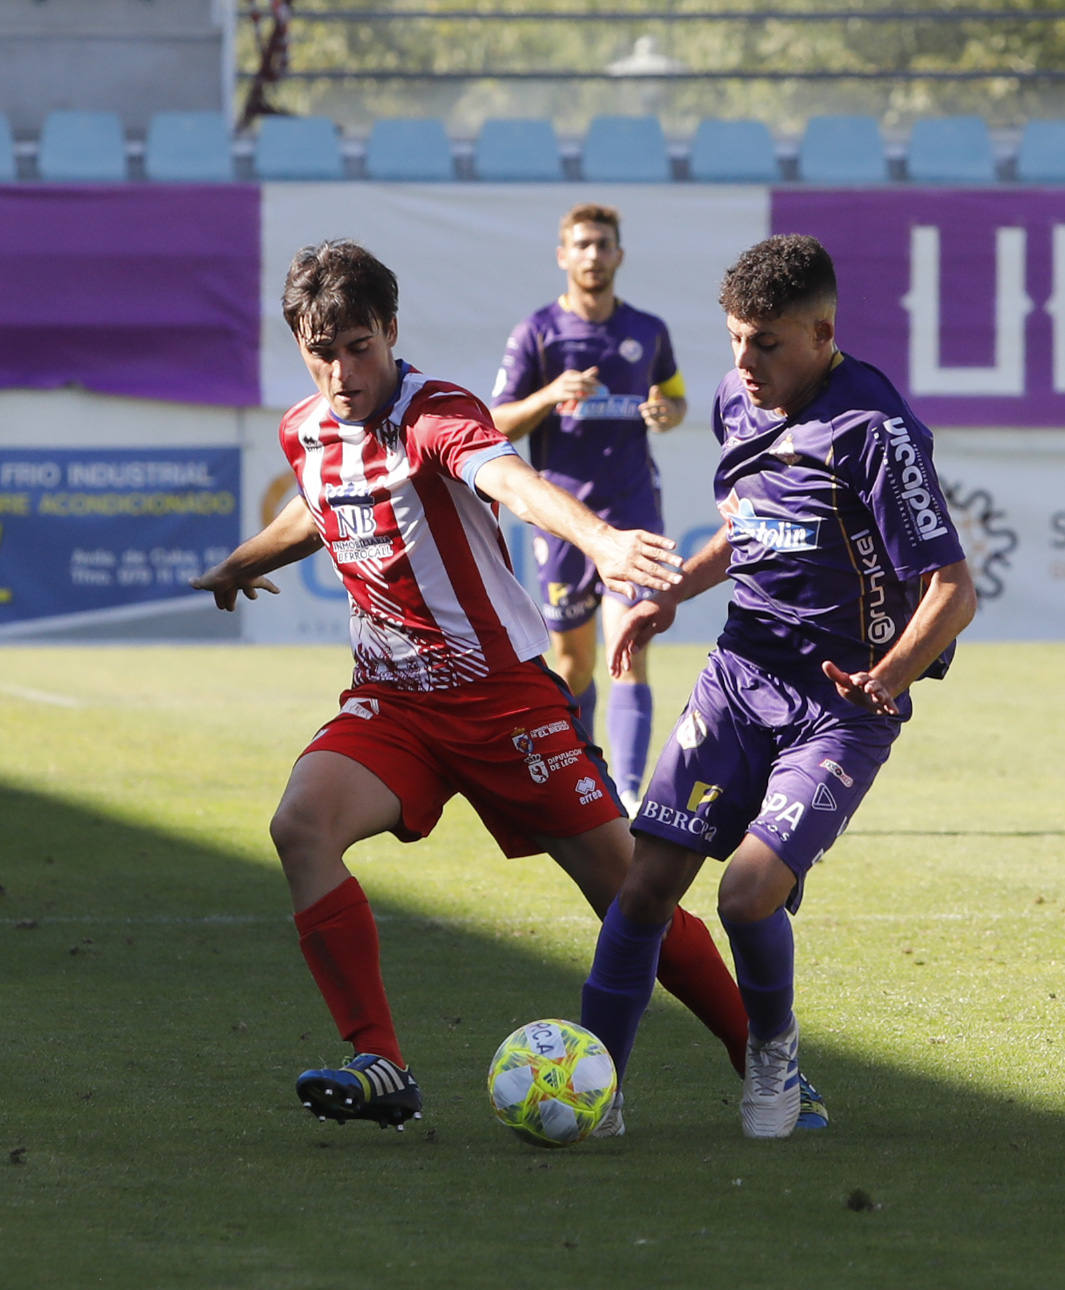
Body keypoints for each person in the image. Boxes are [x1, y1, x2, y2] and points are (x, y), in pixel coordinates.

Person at [191, 238, 773, 1133]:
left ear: (389, 331)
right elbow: (315, 504)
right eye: (322, 352)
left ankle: (765, 1060)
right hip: (392, 704)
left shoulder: (438, 414)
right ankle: (379, 1060)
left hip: (504, 705)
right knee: (300, 826)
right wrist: (239, 561)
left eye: (358, 347)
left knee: (632, 898)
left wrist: (602, 544)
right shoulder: (305, 428)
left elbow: (512, 479)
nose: (342, 372)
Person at [580, 233, 977, 1139]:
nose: (744, 364)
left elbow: (953, 590)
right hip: (737, 678)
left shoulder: (874, 430)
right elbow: (747, 525)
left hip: (838, 708)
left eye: (766, 344)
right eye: (733, 340)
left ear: (822, 333)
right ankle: (591, 1083)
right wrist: (669, 593)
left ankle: (773, 1056)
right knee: (642, 889)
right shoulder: (732, 400)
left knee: (745, 892)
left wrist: (887, 677)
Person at [491, 203, 686, 817]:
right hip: (564, 519)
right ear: (563, 255)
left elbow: (676, 399)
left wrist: (666, 413)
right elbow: (494, 422)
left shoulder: (649, 330)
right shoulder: (538, 333)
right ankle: (582, 783)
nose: (593, 255)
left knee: (630, 644)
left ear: (619, 254)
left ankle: (627, 792)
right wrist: (551, 394)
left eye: (603, 244)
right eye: (582, 245)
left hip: (632, 514)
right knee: (573, 663)